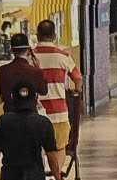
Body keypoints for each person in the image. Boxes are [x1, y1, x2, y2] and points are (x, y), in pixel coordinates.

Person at [32, 19, 83, 155]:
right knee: (60, 147)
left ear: (37, 36)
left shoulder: (30, 57)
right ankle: (57, 174)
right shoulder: (63, 56)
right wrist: (76, 91)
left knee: (37, 148)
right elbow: (78, 79)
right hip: (58, 113)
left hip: (35, 113)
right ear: (54, 36)